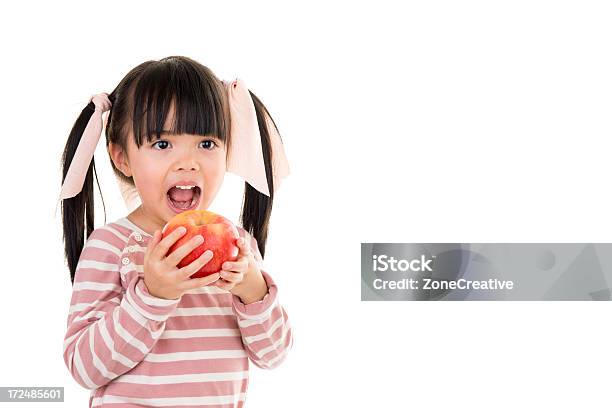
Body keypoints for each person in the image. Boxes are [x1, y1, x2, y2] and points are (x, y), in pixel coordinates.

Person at [58, 56, 293, 407]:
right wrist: (152, 296)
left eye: (207, 144)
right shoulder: (111, 246)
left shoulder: (238, 247)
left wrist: (252, 289)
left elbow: (272, 355)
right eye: (163, 144)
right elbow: (84, 367)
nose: (188, 162)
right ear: (122, 158)